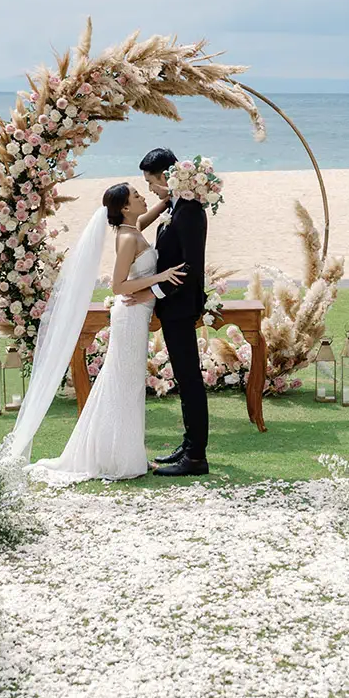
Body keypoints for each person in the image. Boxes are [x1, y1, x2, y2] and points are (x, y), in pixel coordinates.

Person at [28, 183, 185, 484]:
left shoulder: (133, 227)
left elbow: (152, 212)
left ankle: (121, 453)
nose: (142, 197)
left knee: (127, 384)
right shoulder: (126, 238)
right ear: (125, 207)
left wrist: (169, 197)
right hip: (130, 317)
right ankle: (120, 459)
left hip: (137, 315)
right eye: (136, 196)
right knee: (125, 385)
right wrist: (160, 277)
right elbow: (118, 286)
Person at [139, 147, 211, 475]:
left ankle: (196, 456)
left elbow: (189, 267)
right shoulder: (176, 206)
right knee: (184, 376)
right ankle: (188, 444)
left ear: (166, 177)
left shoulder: (189, 211)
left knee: (190, 378)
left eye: (151, 182)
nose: (150, 189)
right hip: (173, 307)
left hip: (180, 307)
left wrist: (153, 292)